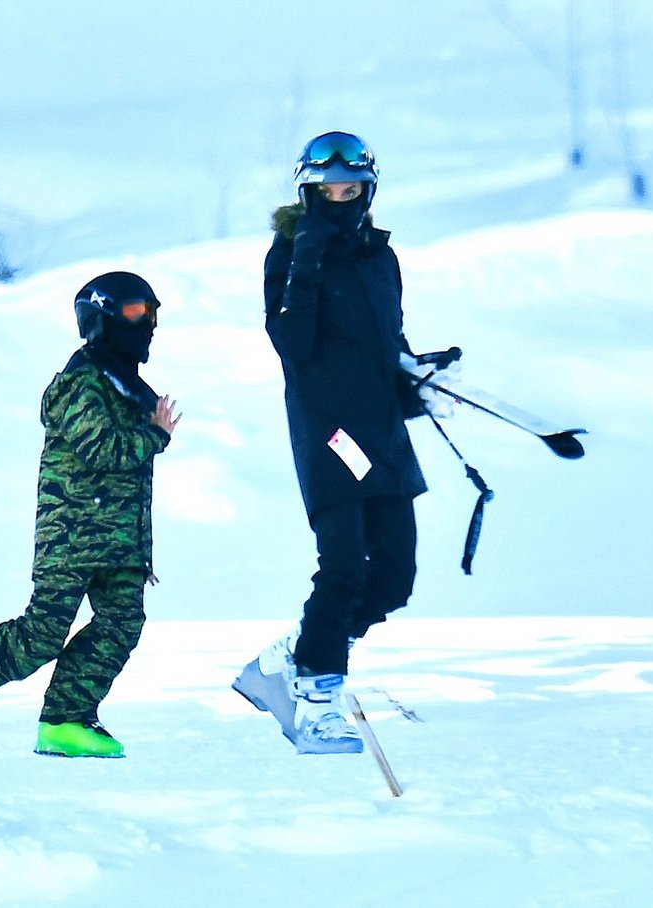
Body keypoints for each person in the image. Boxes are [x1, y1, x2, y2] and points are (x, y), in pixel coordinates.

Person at [0, 271, 181, 759]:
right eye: (138, 312)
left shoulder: (129, 388)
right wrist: (155, 436)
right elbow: (103, 451)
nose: (149, 324)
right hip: (71, 538)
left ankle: (66, 721)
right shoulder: (80, 383)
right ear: (103, 318)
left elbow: (128, 482)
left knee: (122, 624)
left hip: (117, 544)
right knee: (42, 634)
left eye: (153, 313)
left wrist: (139, 549)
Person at [233, 131, 433, 755]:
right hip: (331, 429)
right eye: (328, 190)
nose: (340, 199)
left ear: (369, 191)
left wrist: (419, 373)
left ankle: (295, 654)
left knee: (395, 579)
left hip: (380, 430)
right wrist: (310, 257)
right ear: (307, 192)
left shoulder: (381, 258)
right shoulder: (289, 251)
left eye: (352, 190)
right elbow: (293, 348)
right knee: (344, 566)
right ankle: (316, 700)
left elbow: (384, 343)